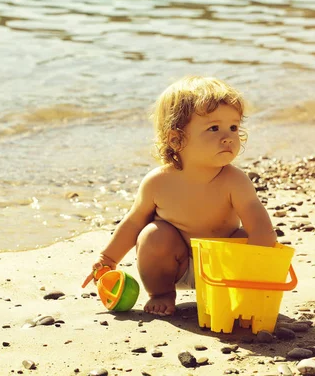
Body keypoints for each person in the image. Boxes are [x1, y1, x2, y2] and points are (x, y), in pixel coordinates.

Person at [82, 76, 277, 316]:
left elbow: (259, 225)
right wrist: (107, 258)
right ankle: (161, 293)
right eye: (214, 128)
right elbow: (133, 223)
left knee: (248, 237)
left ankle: (236, 292)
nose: (228, 137)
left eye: (233, 127)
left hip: (222, 267)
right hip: (175, 264)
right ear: (176, 139)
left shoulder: (234, 180)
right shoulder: (158, 182)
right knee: (153, 235)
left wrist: (257, 269)